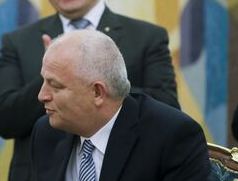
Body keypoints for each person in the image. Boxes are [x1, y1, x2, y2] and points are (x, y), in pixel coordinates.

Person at [0, 0, 180, 180]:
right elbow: (4, 120)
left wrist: (89, 82)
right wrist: (52, 74)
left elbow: (167, 105)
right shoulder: (19, 41)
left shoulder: (146, 37)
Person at [30, 30, 209, 180]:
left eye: (55, 86)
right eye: (44, 81)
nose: (41, 95)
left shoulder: (172, 135)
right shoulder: (46, 132)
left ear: (98, 93)